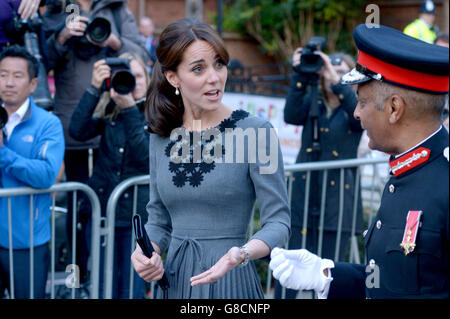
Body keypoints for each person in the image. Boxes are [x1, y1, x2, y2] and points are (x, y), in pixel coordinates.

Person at [270, 24, 449, 299]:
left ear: (393, 108)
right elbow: (391, 282)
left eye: (362, 102)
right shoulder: (404, 173)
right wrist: (326, 274)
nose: (355, 113)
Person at [131, 18, 291, 299]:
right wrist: (146, 254)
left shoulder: (257, 132)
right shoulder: (160, 135)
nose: (214, 77)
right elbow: (158, 219)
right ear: (173, 78)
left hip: (232, 282)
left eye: (219, 63)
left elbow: (278, 222)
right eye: (198, 68)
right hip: (176, 282)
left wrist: (241, 254)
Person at [45, 0, 148, 288]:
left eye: (139, 77)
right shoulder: (58, 7)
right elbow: (42, 61)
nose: (134, 80)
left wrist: (113, 40)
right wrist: (64, 36)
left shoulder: (116, 9)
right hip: (80, 119)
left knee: (125, 276)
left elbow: (139, 52)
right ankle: (76, 282)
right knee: (79, 216)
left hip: (132, 210)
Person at [278, 46, 363, 298]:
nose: (331, 75)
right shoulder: (312, 98)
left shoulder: (356, 107)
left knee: (329, 270)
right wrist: (300, 76)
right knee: (291, 266)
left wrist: (339, 84)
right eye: (329, 70)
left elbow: (359, 121)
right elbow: (291, 115)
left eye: (341, 72)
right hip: (304, 196)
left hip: (337, 204)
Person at [69, 52, 150, 299]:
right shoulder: (110, 110)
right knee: (103, 286)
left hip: (137, 219)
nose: (133, 83)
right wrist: (95, 88)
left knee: (130, 288)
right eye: (126, 77)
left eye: (137, 76)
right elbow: (77, 131)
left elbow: (146, 156)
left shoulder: (158, 115)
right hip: (103, 212)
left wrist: (130, 112)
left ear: (147, 80)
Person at [0, 45, 64, 298]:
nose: (8, 82)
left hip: (26, 243)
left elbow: (46, 174)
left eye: (17, 75)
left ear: (32, 83)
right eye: (3, 74)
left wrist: (3, 153)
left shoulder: (48, 124)